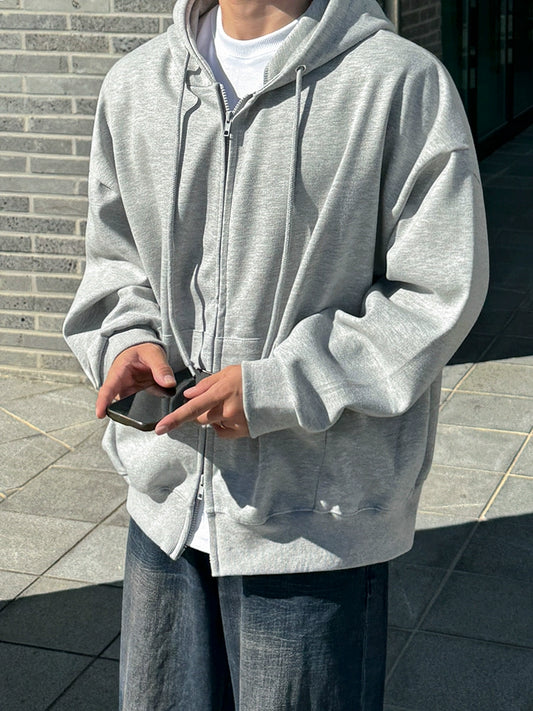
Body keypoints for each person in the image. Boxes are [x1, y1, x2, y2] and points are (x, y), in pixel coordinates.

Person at [63, 0, 489, 708]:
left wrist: (280, 387)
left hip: (315, 519)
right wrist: (128, 335)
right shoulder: (136, 84)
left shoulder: (397, 83)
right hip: (165, 507)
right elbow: (115, 258)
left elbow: (434, 292)